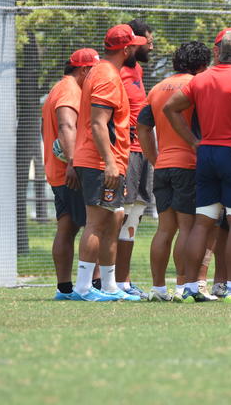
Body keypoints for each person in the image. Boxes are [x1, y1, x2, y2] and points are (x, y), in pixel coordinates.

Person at [164, 29, 231, 303]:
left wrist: (194, 142)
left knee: (202, 223)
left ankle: (191, 288)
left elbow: (171, 107)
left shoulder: (202, 78)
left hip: (206, 153)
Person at [71, 24, 147, 301]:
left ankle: (110, 286)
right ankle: (82, 288)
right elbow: (99, 124)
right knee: (96, 223)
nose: (138, 49)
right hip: (99, 161)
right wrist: (110, 163)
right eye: (134, 45)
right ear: (126, 49)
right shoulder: (107, 76)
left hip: (102, 160)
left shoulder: (103, 72)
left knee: (113, 218)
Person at [137, 41, 212, 302]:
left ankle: (158, 289)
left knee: (164, 229)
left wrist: (154, 159)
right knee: (187, 228)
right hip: (188, 165)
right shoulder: (197, 85)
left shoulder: (157, 88)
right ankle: (183, 287)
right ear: (202, 65)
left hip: (164, 166)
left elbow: (143, 127)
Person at [42, 48, 100, 300]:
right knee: (94, 225)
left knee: (67, 227)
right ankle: (93, 287)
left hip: (59, 170)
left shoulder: (59, 88)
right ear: (84, 69)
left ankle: (64, 289)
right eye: (94, 71)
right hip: (71, 171)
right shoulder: (69, 90)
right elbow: (66, 125)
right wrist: (74, 163)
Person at [115, 18, 155, 298]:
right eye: (147, 42)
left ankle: (124, 281)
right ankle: (100, 280)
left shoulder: (138, 68)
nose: (150, 47)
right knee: (116, 214)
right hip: (125, 148)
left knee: (136, 212)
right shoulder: (113, 71)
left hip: (143, 148)